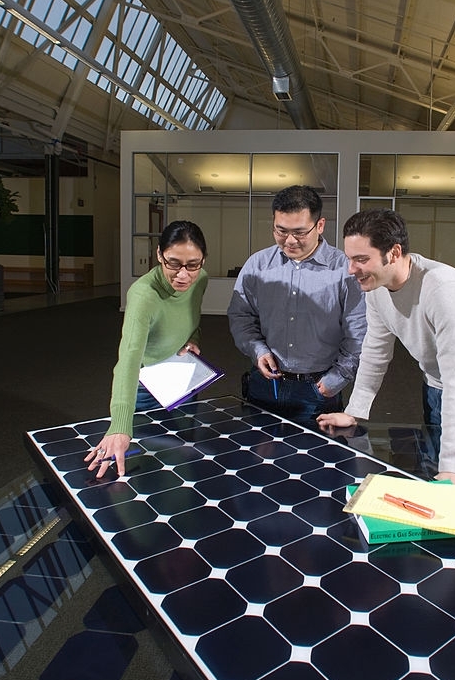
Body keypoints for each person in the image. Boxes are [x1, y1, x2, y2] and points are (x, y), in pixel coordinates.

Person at [317, 209, 455, 506]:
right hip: (437, 384)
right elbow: (375, 352)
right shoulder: (376, 289)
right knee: (434, 477)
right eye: (350, 258)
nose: (351, 269)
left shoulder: (443, 290)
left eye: (361, 259)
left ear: (394, 252)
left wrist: (453, 468)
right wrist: (355, 411)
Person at [227, 184, 366, 425]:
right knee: (260, 457)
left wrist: (336, 379)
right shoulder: (257, 265)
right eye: (280, 231)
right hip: (264, 384)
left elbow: (358, 333)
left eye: (300, 232)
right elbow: (241, 316)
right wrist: (258, 350)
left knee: (316, 460)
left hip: (319, 388)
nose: (289, 241)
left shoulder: (345, 270)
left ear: (319, 225)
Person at [85, 220, 209, 478]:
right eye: (173, 263)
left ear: (203, 260)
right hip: (145, 386)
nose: (183, 275)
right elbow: (128, 360)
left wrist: (193, 338)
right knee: (145, 468)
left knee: (183, 456)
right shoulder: (143, 295)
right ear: (159, 255)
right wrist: (119, 427)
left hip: (181, 377)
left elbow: (192, 316)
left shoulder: (201, 280)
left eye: (193, 264)